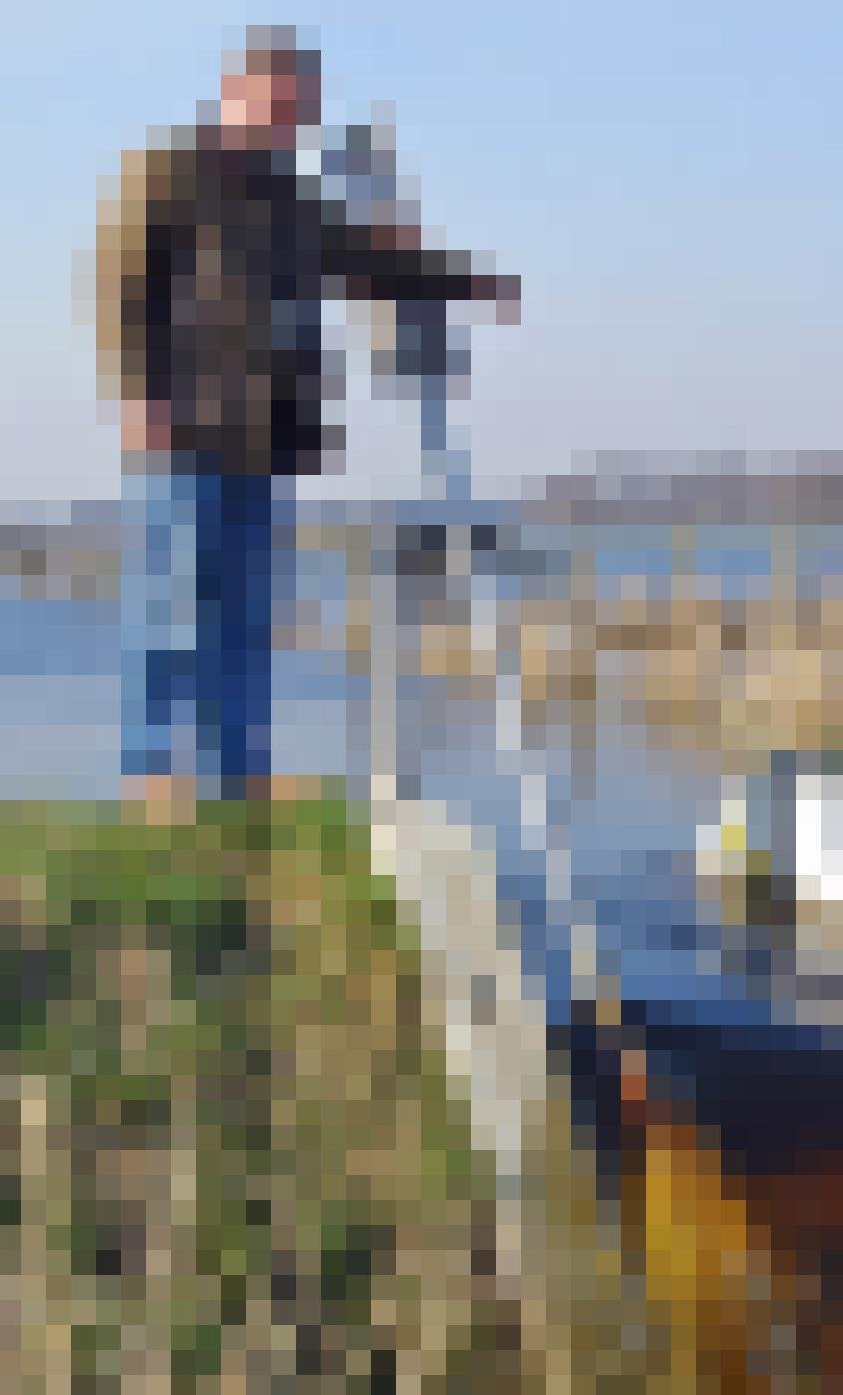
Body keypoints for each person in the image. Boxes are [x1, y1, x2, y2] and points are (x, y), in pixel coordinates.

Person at [94, 27, 517, 813]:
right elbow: (124, 275)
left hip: (266, 432)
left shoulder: (292, 200)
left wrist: (472, 283)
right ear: (239, 92)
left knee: (248, 613)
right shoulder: (171, 171)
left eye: (301, 111)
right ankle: (155, 774)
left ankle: (239, 774)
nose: (290, 122)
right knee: (175, 604)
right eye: (280, 104)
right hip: (185, 424)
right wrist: (138, 390)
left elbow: (370, 262)